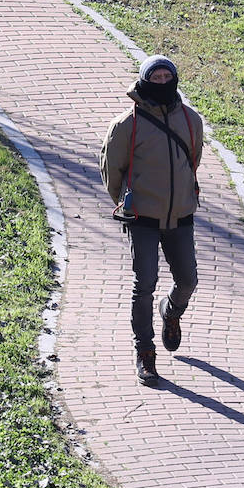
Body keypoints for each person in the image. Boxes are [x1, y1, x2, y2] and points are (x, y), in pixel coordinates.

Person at [99, 54, 205, 385]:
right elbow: (110, 169)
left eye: (166, 77)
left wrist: (184, 196)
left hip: (181, 215)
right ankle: (144, 352)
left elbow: (194, 159)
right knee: (144, 284)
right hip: (142, 216)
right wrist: (126, 202)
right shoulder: (126, 124)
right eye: (155, 78)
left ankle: (171, 312)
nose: (161, 82)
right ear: (145, 81)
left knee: (187, 280)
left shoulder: (191, 120)